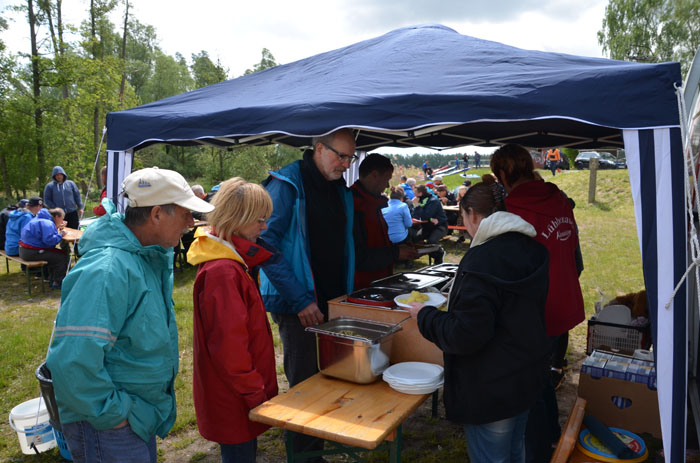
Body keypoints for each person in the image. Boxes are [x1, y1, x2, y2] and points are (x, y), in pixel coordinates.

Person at [45, 167, 214, 463]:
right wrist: (118, 414)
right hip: (107, 425)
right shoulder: (108, 270)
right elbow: (72, 361)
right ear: (157, 214)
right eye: (186, 213)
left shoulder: (143, 257)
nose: (191, 223)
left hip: (132, 416)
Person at [405, 182, 549, 463]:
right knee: (515, 452)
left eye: (463, 218)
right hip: (526, 376)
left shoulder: (481, 260)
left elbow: (465, 334)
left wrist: (425, 316)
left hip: (492, 386)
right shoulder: (532, 249)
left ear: (471, 214)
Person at [259, 128, 356, 461]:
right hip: (296, 304)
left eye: (350, 157)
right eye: (340, 156)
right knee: (304, 386)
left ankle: (317, 447)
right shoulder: (287, 183)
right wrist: (300, 299)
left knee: (330, 378)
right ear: (318, 148)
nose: (345, 164)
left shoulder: (338, 189)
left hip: (332, 300)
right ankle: (303, 456)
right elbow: (264, 245)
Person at [490, 143, 584, 462]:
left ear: (502, 174)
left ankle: (538, 449)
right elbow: (572, 249)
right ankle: (550, 432)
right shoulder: (558, 198)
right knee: (541, 373)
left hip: (536, 308)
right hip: (563, 297)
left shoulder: (513, 208)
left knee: (527, 383)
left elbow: (509, 266)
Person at [187, 178, 278, 463]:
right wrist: (255, 393)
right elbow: (230, 347)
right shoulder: (224, 272)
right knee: (239, 454)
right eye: (260, 220)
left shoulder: (229, 261)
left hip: (236, 390)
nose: (265, 227)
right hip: (234, 395)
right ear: (237, 219)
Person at [351, 154, 418, 288]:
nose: (387, 185)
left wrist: (397, 250)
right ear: (374, 175)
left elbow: (376, 242)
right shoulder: (354, 205)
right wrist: (396, 253)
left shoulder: (372, 203)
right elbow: (357, 256)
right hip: (360, 285)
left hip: (378, 281)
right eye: (386, 179)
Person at [19, 207, 69, 289]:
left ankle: (52, 279)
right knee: (61, 257)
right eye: (62, 218)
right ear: (56, 217)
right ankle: (58, 282)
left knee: (56, 254)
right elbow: (50, 242)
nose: (62, 221)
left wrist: (56, 227)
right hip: (31, 252)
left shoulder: (39, 219)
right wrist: (61, 234)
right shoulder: (47, 223)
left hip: (24, 250)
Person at [412, 184, 447, 264]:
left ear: (420, 193)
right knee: (415, 239)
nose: (413, 194)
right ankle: (411, 259)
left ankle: (439, 253)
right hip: (427, 226)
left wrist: (417, 206)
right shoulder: (420, 200)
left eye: (415, 192)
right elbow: (415, 215)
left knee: (431, 241)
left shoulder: (433, 201)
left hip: (439, 226)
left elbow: (426, 216)